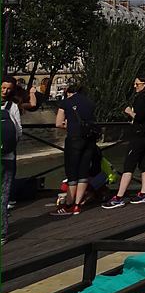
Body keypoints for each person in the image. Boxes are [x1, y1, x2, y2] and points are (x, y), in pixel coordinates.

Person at [102, 74, 145, 209]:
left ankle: (119, 197)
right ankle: (143, 193)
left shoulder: (141, 98)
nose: (134, 86)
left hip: (138, 135)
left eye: (137, 84)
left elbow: (140, 117)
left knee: (128, 166)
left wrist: (129, 112)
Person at [51, 84, 97, 217]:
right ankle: (77, 205)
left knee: (72, 172)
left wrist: (69, 125)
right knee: (83, 171)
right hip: (89, 139)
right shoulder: (90, 102)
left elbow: (58, 123)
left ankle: (69, 205)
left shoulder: (66, 102)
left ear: (68, 92)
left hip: (74, 139)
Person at [1, 76, 23, 243]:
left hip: (6, 158)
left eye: (7, 89)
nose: (5, 91)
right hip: (7, 156)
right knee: (3, 195)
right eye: (3, 88)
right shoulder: (12, 106)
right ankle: (2, 232)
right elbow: (18, 131)